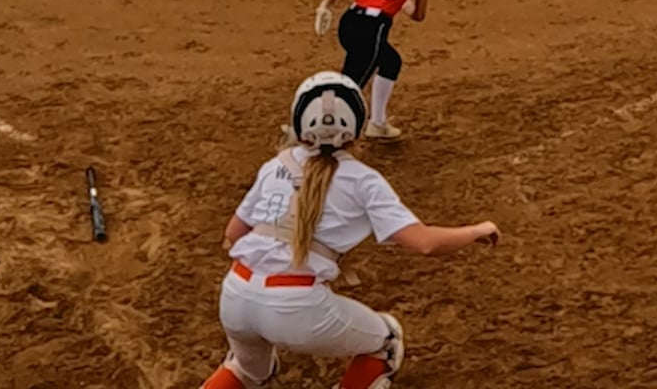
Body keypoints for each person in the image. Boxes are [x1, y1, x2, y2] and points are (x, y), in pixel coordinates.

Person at [199, 72, 500, 389]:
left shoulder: (275, 166)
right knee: (387, 340)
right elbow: (424, 243)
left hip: (236, 297)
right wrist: (476, 230)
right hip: (296, 306)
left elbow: (233, 234)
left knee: (247, 370)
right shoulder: (362, 179)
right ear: (355, 126)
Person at [314, 0, 431, 141]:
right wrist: (402, 1)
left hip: (349, 22)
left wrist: (325, 5)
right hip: (372, 29)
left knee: (390, 62)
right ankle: (316, 130)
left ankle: (377, 123)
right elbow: (418, 15)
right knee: (351, 86)